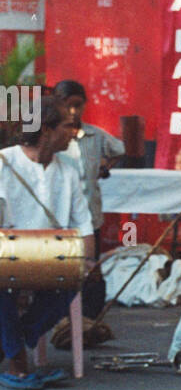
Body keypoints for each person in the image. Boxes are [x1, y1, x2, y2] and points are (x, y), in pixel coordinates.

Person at [0, 96, 93, 388]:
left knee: (74, 280)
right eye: (67, 126)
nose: (74, 132)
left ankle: (15, 339)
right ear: (45, 132)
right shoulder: (4, 162)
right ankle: (17, 363)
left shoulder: (68, 169)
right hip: (6, 255)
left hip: (53, 258)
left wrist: (88, 262)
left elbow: (84, 222)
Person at [54, 79, 124, 257]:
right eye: (66, 106)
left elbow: (119, 150)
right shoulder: (51, 137)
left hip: (90, 212)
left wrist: (104, 167)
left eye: (77, 106)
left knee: (88, 260)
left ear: (85, 104)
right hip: (60, 214)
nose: (72, 112)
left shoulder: (95, 135)